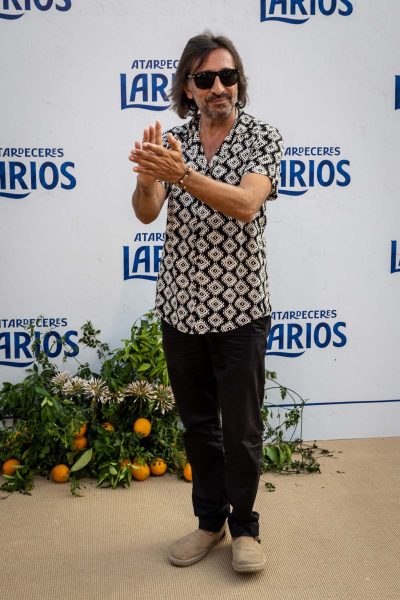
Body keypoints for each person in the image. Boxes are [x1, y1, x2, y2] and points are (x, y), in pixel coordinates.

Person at [129, 32, 283, 573]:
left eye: (228, 75)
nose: (219, 87)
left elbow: (245, 204)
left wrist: (182, 175)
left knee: (241, 429)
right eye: (205, 78)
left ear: (239, 81)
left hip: (240, 309)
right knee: (198, 424)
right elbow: (147, 212)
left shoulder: (261, 137)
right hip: (182, 308)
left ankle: (245, 528)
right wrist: (148, 180)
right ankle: (209, 521)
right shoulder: (174, 141)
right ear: (188, 89)